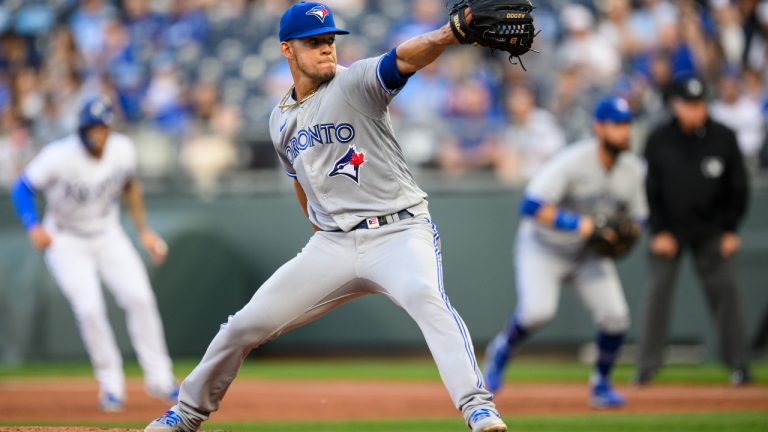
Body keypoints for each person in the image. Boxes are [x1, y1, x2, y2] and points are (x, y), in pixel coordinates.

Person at [145, 3, 507, 432]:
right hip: (334, 243)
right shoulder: (280, 119)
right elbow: (300, 180)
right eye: (314, 42)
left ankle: (478, 408)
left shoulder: (355, 84)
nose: (326, 50)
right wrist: (320, 231)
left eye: (330, 41)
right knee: (243, 325)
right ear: (287, 49)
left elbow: (404, 58)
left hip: (399, 230)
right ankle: (185, 415)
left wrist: (449, 34)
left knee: (427, 299)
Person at [9, 97, 178, 411]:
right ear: (81, 129)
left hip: (108, 233)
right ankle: (111, 385)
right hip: (66, 240)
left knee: (140, 298)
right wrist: (33, 225)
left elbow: (130, 186)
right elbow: (22, 188)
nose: (97, 133)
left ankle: (161, 378)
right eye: (91, 127)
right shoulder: (58, 155)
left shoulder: (123, 149)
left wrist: (144, 231)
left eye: (102, 127)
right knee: (89, 309)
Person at [483, 96, 647, 408]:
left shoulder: (634, 170)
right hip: (544, 247)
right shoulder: (573, 161)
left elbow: (639, 218)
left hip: (588, 254)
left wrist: (625, 234)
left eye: (627, 124)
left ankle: (600, 385)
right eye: (617, 124)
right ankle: (502, 349)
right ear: (599, 128)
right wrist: (579, 223)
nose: (624, 131)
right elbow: (530, 205)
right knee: (537, 312)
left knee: (616, 318)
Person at [635, 74, 752, 385]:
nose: (694, 110)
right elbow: (648, 189)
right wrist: (658, 230)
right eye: (688, 104)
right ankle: (647, 367)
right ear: (676, 105)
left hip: (712, 230)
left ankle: (739, 365)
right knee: (657, 294)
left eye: (699, 104)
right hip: (668, 232)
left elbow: (738, 188)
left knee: (728, 295)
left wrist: (729, 229)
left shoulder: (724, 137)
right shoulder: (658, 138)